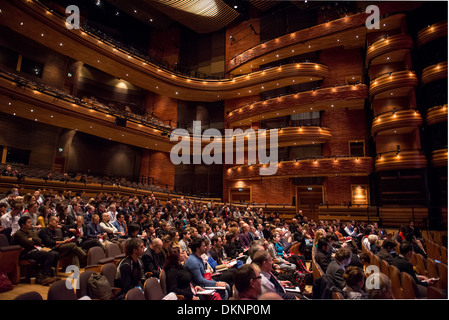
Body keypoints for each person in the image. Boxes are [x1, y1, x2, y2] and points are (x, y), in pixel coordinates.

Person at [11, 216, 58, 286]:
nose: (31, 223)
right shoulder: (19, 233)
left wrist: (31, 238)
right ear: (23, 225)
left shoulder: (30, 232)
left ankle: (51, 275)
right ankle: (45, 277)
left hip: (35, 250)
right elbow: (28, 243)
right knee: (49, 254)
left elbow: (39, 241)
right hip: (26, 253)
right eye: (29, 222)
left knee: (55, 253)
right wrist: (33, 240)